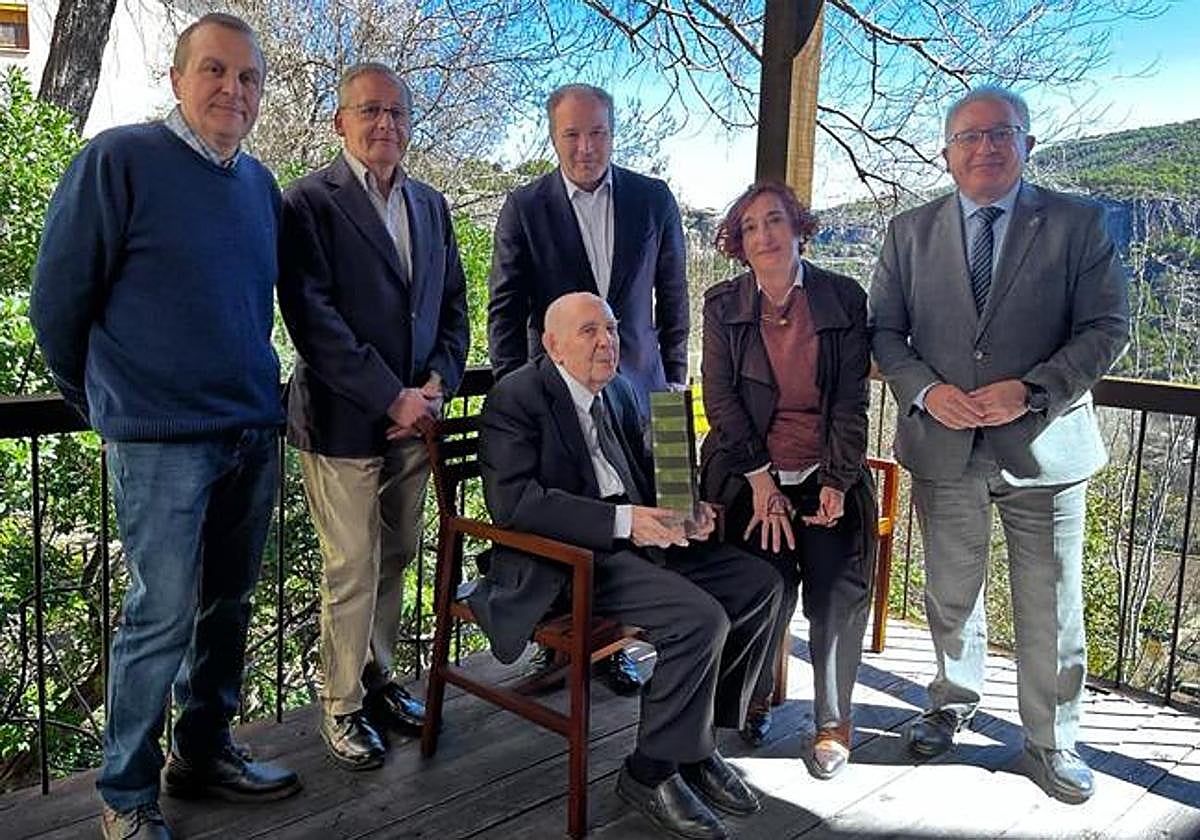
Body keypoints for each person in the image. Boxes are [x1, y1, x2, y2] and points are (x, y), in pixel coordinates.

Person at [29, 13, 301, 839]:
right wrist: (110, 406)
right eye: (215, 71)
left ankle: (205, 751)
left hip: (251, 428)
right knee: (161, 615)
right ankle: (124, 796)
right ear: (179, 79)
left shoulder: (260, 187)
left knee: (228, 605)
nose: (234, 90)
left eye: (248, 78)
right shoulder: (118, 159)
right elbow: (57, 306)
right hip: (160, 441)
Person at [868, 85, 1129, 804]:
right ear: (947, 155)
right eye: (969, 137)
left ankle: (1052, 741)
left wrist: (1033, 389)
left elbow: (1107, 328)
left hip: (1044, 447)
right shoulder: (908, 231)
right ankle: (950, 704)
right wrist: (925, 390)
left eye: (1001, 134)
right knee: (950, 593)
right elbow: (885, 333)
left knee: (1050, 606)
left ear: (1028, 144)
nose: (985, 147)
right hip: (944, 446)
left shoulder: (1079, 224)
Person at [469, 292, 781, 840]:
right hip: (567, 559)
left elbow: (647, 468)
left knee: (760, 585)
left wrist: (688, 513)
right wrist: (625, 523)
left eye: (611, 329)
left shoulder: (621, 389)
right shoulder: (515, 397)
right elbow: (515, 504)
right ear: (553, 345)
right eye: (589, 331)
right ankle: (650, 771)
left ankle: (697, 744)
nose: (607, 340)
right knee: (699, 619)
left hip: (635, 542)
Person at [277, 62, 468, 771]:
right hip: (342, 421)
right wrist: (392, 395)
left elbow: (454, 306)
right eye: (370, 112)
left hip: (415, 422)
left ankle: (378, 678)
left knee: (397, 556)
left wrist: (438, 384)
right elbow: (312, 320)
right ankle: (340, 706)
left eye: (396, 113)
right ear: (341, 123)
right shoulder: (307, 203)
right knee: (352, 564)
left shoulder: (430, 204)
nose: (385, 124)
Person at [487, 83, 690, 694]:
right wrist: (517, 395)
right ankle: (570, 641)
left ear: (613, 132)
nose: (585, 146)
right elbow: (505, 309)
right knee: (585, 516)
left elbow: (674, 296)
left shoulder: (654, 199)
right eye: (572, 134)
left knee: (678, 519)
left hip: (655, 392)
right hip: (560, 400)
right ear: (553, 138)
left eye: (597, 132)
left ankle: (652, 634)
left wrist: (674, 381)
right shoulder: (526, 207)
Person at [699, 181, 877, 779]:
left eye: (775, 221)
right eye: (749, 227)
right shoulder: (723, 304)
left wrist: (837, 480)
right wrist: (760, 480)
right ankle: (749, 699)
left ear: (800, 228)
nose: (764, 235)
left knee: (834, 595)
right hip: (750, 474)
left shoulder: (841, 298)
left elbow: (851, 400)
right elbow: (721, 401)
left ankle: (832, 723)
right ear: (738, 243)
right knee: (759, 585)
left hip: (825, 471)